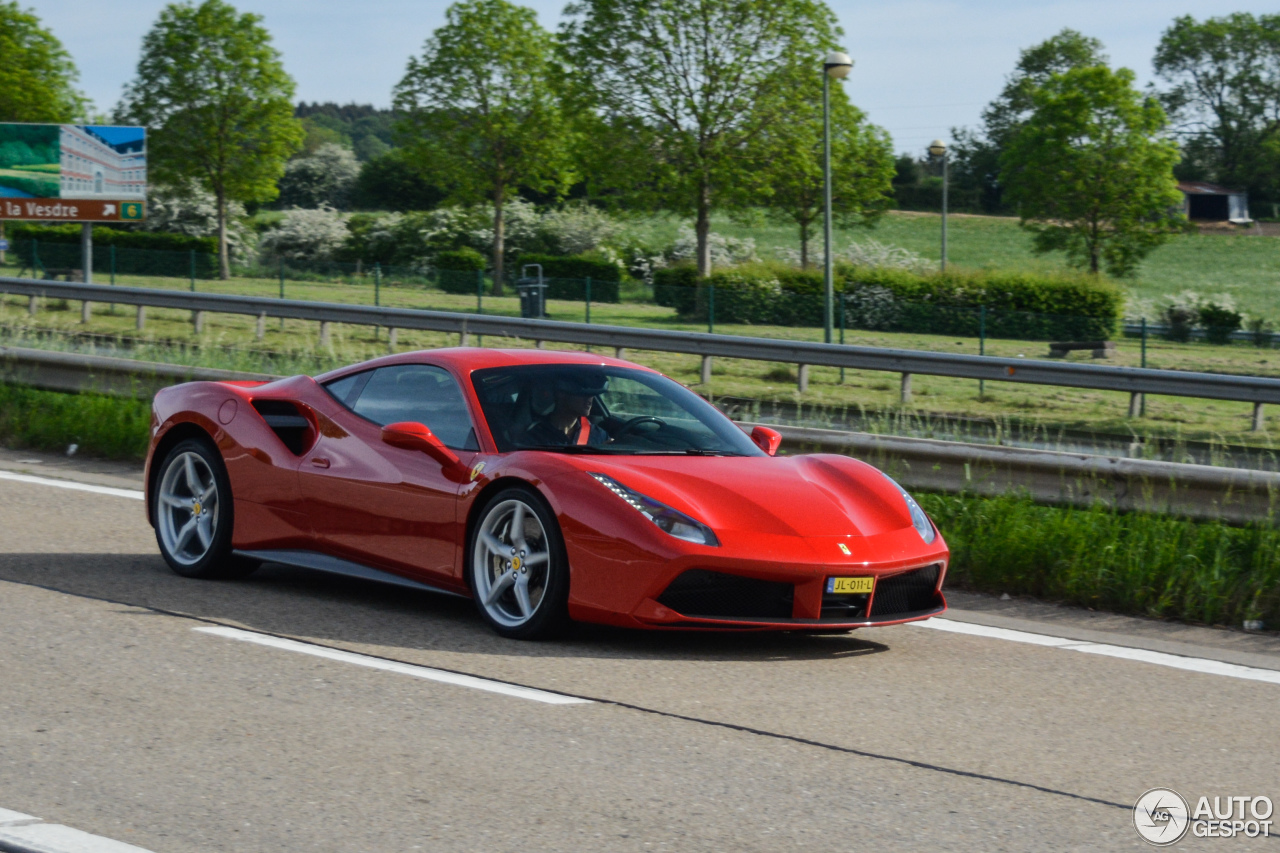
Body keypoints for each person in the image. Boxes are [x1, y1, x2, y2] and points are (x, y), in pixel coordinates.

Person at [524, 370, 609, 447]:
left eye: (593, 393)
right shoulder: (536, 437)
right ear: (562, 394)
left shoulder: (599, 435)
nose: (590, 399)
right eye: (584, 393)